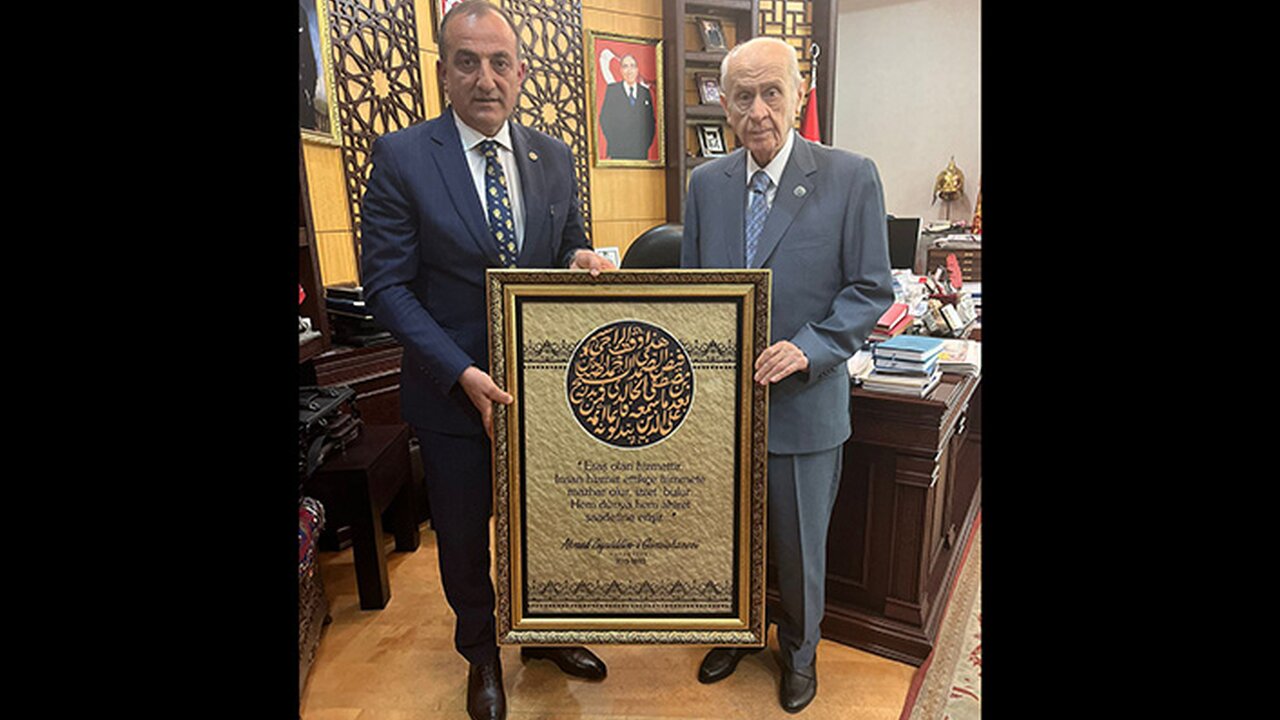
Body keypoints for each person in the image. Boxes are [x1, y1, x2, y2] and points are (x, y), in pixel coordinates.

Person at [359, 3, 615, 719]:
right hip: (452, 392)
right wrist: (461, 373)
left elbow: (566, 243)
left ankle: (545, 635)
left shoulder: (553, 156)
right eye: (467, 62)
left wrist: (579, 259)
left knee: (546, 521)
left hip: (544, 395)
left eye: (500, 62)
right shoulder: (403, 158)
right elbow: (386, 286)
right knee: (466, 535)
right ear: (444, 72)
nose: (486, 78)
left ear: (521, 73)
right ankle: (481, 653)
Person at [681, 37, 893, 714]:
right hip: (723, 412)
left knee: (800, 549)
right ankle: (737, 633)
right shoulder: (705, 185)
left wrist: (809, 348)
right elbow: (690, 295)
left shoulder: (850, 176)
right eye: (742, 96)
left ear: (798, 97)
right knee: (729, 537)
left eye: (772, 92)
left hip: (805, 405)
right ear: (724, 104)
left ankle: (800, 653)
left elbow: (871, 289)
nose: (758, 111)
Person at [597, 53, 656, 160]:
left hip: (640, 153)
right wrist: (614, 143)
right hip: (618, 152)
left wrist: (644, 145)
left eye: (632, 66)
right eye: (625, 66)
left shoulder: (645, 92)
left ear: (637, 70)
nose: (629, 70)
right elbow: (604, 119)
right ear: (621, 70)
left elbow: (651, 122)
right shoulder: (612, 90)